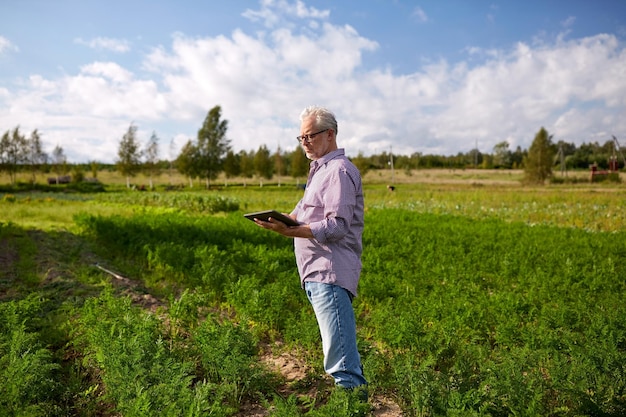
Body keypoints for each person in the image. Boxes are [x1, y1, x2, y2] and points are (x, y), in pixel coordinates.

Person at [253, 105, 368, 395]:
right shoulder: (319, 172)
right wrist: (278, 222)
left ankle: (353, 406)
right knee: (337, 350)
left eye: (310, 136)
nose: (304, 142)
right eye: (301, 137)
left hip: (329, 273)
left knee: (340, 358)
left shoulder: (339, 171)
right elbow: (299, 215)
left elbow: (337, 226)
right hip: (316, 274)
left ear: (329, 135)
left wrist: (292, 231)